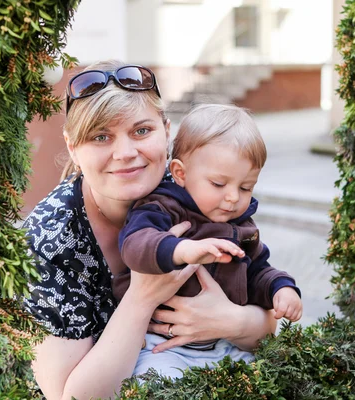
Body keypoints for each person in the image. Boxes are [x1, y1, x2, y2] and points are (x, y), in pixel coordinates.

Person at [22, 60, 279, 400]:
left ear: (166, 130)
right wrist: (143, 296)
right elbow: (71, 397)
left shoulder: (195, 190)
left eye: (142, 131)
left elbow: (267, 321)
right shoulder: (47, 240)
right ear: (72, 146)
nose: (126, 153)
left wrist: (229, 321)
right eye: (101, 137)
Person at [114, 104, 303, 379]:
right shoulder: (162, 207)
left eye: (245, 187)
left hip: (223, 343)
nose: (232, 198)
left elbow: (258, 269)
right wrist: (181, 249)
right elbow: (134, 245)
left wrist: (280, 288)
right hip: (162, 346)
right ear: (180, 173)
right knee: (159, 383)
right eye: (218, 184)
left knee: (267, 378)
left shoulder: (243, 228)